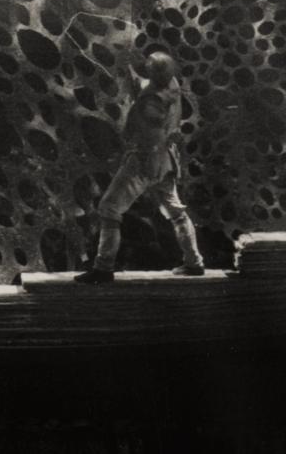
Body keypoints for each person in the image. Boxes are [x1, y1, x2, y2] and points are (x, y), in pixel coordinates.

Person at [75, 51, 207, 281]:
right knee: (175, 211)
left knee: (109, 208)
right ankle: (194, 262)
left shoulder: (151, 101)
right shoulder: (173, 85)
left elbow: (148, 134)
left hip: (146, 160)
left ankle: (103, 268)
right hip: (167, 160)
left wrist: (134, 114)